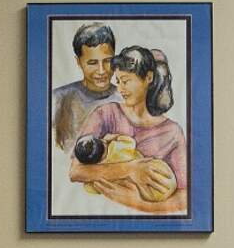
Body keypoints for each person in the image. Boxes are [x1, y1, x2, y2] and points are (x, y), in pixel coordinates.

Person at [70, 46, 188, 214]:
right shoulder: (106, 113)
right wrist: (132, 169)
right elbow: (75, 171)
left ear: (148, 77)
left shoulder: (173, 132)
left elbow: (184, 198)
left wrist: (135, 202)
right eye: (117, 81)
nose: (120, 89)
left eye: (125, 81)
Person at [53, 23, 121, 153]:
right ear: (78, 62)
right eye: (92, 63)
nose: (101, 71)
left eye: (107, 61)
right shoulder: (57, 99)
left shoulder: (126, 99)